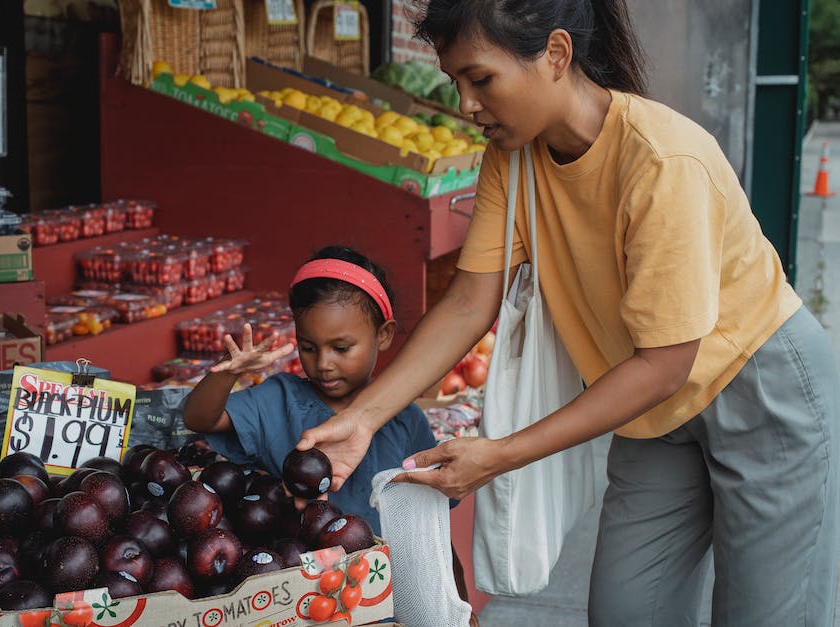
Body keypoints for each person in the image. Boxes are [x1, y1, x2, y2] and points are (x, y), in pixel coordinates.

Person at [294, 2, 840, 626]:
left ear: (556, 54)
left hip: (759, 390)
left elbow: (665, 363)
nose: (467, 104)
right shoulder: (514, 156)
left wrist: (498, 454)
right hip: (656, 412)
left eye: (481, 79)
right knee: (627, 611)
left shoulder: (662, 161)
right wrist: (363, 419)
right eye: (455, 84)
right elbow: (472, 301)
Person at [182, 245, 478, 624]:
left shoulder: (405, 420)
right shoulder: (278, 398)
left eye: (341, 348)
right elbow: (200, 418)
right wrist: (227, 373)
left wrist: (459, 602)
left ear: (383, 336)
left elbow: (432, 529)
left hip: (382, 604)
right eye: (308, 347)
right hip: (297, 603)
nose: (323, 363)